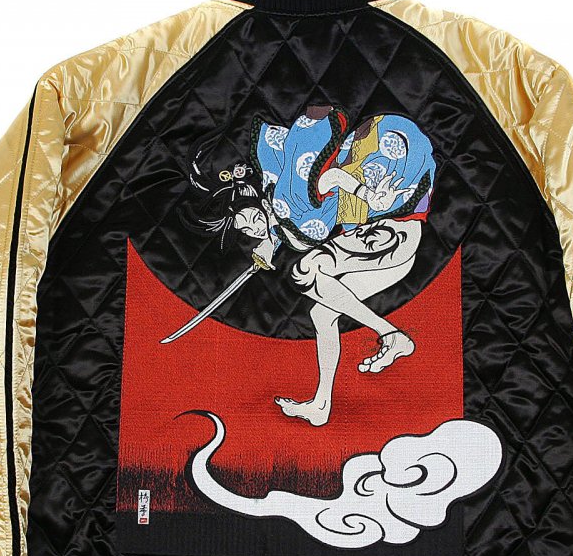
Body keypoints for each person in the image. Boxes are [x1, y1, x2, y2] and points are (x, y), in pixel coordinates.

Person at [186, 105, 437, 426]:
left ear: (253, 199)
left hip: (392, 233)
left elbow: (330, 177)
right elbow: (289, 225)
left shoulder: (291, 190)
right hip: (390, 253)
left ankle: (390, 334)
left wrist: (365, 193)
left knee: (307, 270)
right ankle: (321, 406)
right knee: (321, 314)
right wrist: (271, 240)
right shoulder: (282, 213)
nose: (252, 229)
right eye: (245, 231)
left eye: (248, 219)